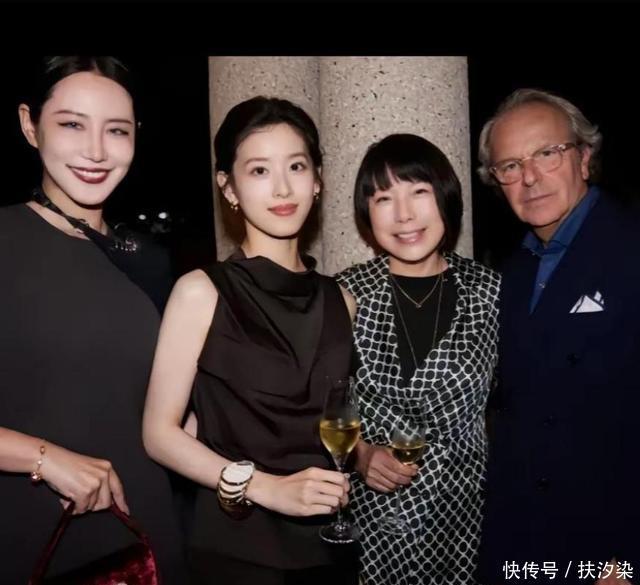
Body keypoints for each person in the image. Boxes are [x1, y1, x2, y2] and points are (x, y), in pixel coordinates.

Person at [142, 95, 359, 585]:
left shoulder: (341, 300)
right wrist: (266, 488)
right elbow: (158, 433)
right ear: (229, 187)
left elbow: (332, 418)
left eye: (296, 166)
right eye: (259, 170)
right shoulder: (201, 292)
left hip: (331, 545)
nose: (282, 187)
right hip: (239, 548)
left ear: (318, 179)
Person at [0, 56, 185, 584]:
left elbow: (164, 405)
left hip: (148, 531)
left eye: (117, 130)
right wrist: (43, 458)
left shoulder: (150, 260)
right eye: (72, 124)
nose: (97, 151)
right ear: (29, 125)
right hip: (34, 532)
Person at [476, 88, 640, 585]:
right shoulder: (513, 271)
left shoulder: (630, 249)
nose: (529, 177)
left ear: (585, 157)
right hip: (521, 542)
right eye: (510, 165)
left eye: (547, 153)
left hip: (606, 545)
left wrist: (627, 558)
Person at [336, 133, 500, 585]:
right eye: (384, 198)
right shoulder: (345, 294)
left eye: (419, 192)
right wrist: (359, 454)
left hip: (467, 522)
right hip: (370, 526)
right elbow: (314, 404)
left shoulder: (491, 293)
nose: (404, 214)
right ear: (366, 213)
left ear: (445, 197)